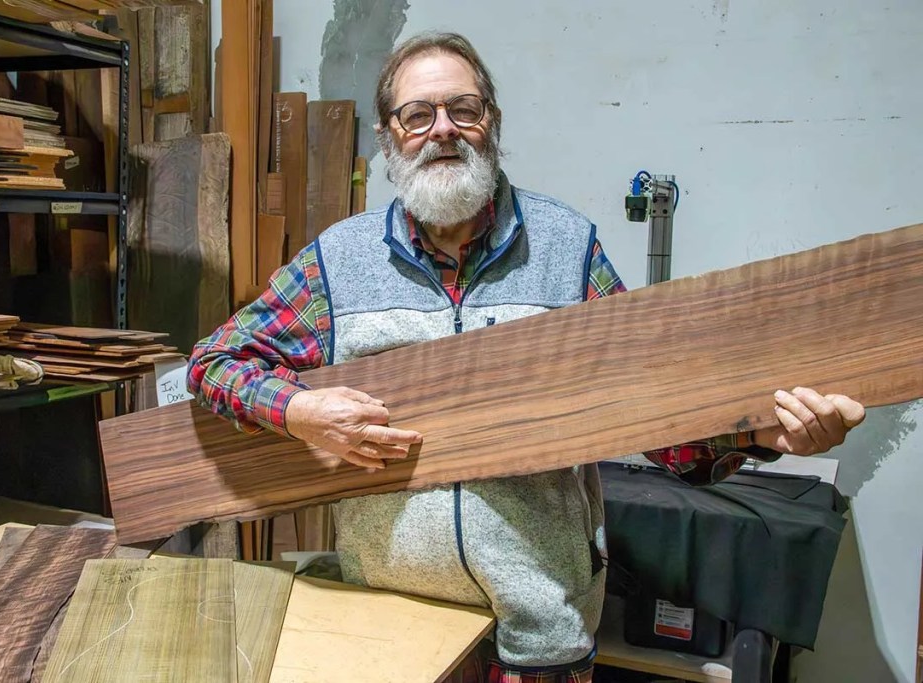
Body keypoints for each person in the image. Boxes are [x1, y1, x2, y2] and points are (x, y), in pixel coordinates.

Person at [188, 32, 865, 683]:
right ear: (389, 135)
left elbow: (655, 423)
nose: (443, 129)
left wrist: (752, 431)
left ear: (493, 122)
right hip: (393, 619)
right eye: (418, 114)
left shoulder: (568, 250)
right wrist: (300, 408)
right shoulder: (339, 262)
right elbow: (213, 363)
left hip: (540, 629)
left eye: (464, 109)